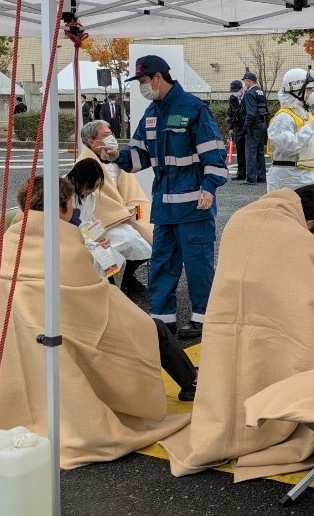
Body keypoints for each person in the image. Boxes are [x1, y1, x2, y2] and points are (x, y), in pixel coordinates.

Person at [0, 175, 195, 469]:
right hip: (70, 332)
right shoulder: (63, 244)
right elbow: (94, 299)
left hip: (25, 342)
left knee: (144, 327)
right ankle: (191, 384)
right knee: (152, 329)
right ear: (64, 207)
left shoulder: (9, 241)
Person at [164, 185, 314, 479]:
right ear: (311, 224)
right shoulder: (299, 239)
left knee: (231, 378)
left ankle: (226, 430)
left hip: (225, 325)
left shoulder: (241, 217)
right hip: (279, 331)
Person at [95, 55, 228, 340]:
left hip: (194, 205)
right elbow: (139, 154)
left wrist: (209, 187)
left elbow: (214, 154)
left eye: (144, 81)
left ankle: (204, 320)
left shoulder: (194, 109)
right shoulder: (152, 114)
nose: (143, 87)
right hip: (165, 206)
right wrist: (117, 156)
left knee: (198, 265)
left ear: (158, 77)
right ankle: (162, 321)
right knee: (162, 263)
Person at [77, 119, 153, 292]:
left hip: (123, 216)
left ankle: (125, 278)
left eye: (111, 133)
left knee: (152, 238)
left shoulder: (117, 160)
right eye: (105, 135)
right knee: (128, 243)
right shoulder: (84, 167)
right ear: (91, 141)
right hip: (101, 225)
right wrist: (94, 236)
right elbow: (84, 216)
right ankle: (113, 284)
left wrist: (132, 212)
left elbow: (130, 192)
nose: (111, 137)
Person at [267, 67, 314, 191]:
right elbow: (288, 147)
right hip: (288, 180)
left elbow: (310, 145)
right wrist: (306, 130)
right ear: (296, 91)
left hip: (306, 177)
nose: (311, 93)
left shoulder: (304, 114)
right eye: (308, 90)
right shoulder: (283, 118)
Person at [241, 70, 269, 184]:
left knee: (250, 152)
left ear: (249, 81)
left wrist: (246, 126)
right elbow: (266, 110)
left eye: (245, 81)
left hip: (254, 126)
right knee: (260, 151)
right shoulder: (260, 92)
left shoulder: (249, 93)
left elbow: (251, 113)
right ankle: (262, 177)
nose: (244, 83)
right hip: (263, 124)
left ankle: (251, 178)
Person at [226, 79, 247, 180]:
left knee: (249, 151)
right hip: (238, 126)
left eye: (236, 90)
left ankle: (251, 173)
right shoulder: (232, 98)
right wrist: (231, 127)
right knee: (240, 150)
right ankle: (241, 173)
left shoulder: (248, 96)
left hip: (247, 126)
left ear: (241, 88)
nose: (235, 92)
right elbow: (230, 113)